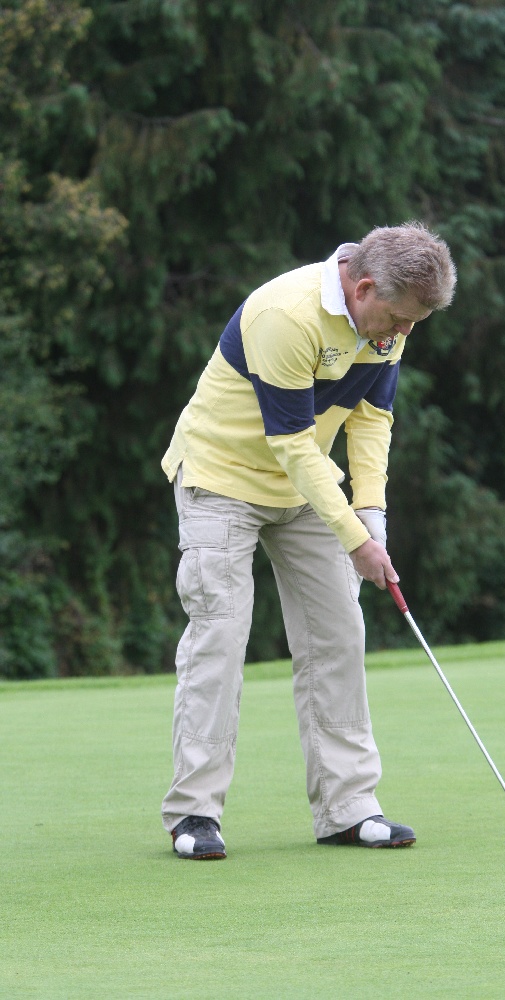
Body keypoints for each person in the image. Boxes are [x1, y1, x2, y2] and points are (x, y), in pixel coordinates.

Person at [160, 221, 457, 859]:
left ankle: (348, 808)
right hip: (221, 478)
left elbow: (372, 419)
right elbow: (291, 442)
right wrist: (355, 538)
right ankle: (194, 813)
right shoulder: (286, 315)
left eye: (414, 323)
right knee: (219, 638)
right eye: (399, 319)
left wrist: (372, 514)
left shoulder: (387, 326)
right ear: (365, 287)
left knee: (339, 635)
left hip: (304, 487)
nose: (403, 333)